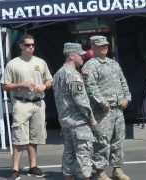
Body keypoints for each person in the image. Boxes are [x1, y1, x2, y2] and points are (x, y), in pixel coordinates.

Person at [1, 34, 53, 180]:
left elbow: (49, 80)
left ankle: (33, 166)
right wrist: (21, 85)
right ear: (21, 46)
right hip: (21, 103)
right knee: (19, 138)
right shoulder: (13, 64)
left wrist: (44, 86)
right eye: (28, 45)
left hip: (38, 103)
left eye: (33, 45)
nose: (31, 47)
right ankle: (15, 169)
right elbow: (5, 85)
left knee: (34, 137)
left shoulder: (40, 62)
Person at [81, 36, 131, 180]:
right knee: (102, 141)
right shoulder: (90, 66)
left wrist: (127, 98)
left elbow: (123, 82)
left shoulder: (113, 64)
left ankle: (117, 169)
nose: (105, 47)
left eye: (106, 45)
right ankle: (99, 172)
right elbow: (91, 87)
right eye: (101, 45)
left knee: (118, 140)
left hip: (118, 110)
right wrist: (102, 102)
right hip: (102, 111)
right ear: (93, 48)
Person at [53, 42, 97, 180]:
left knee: (69, 153)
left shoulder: (58, 74)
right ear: (72, 56)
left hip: (65, 121)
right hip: (78, 122)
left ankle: (69, 177)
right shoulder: (72, 75)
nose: (83, 57)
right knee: (84, 153)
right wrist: (91, 119)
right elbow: (81, 101)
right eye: (80, 55)